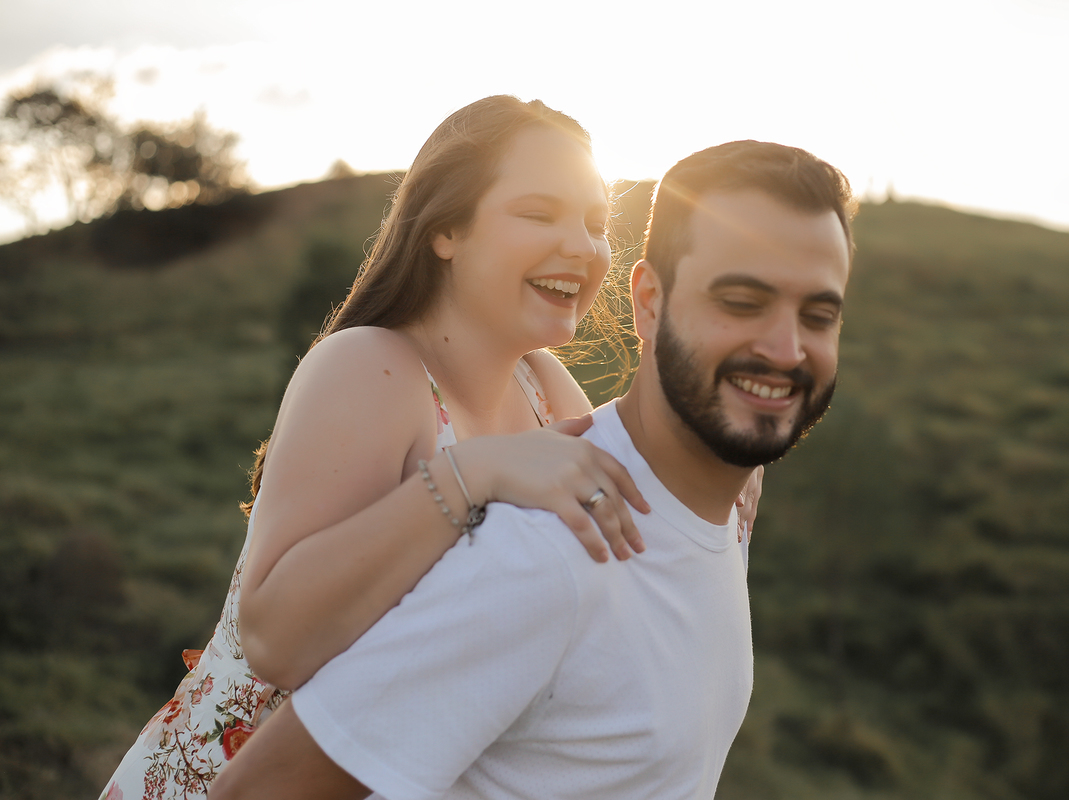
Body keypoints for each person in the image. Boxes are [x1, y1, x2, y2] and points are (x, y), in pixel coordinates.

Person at [100, 96, 766, 800]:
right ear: (446, 228)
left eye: (596, 224)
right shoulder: (370, 369)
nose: (583, 245)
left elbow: (611, 543)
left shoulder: (545, 388)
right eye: (540, 214)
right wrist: (472, 474)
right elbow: (274, 640)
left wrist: (703, 453)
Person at [208, 139, 855, 800]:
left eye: (818, 315)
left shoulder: (561, 410)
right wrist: (466, 474)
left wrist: (730, 448)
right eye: (742, 302)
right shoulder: (542, 546)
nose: (785, 349)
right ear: (650, 302)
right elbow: (267, 685)